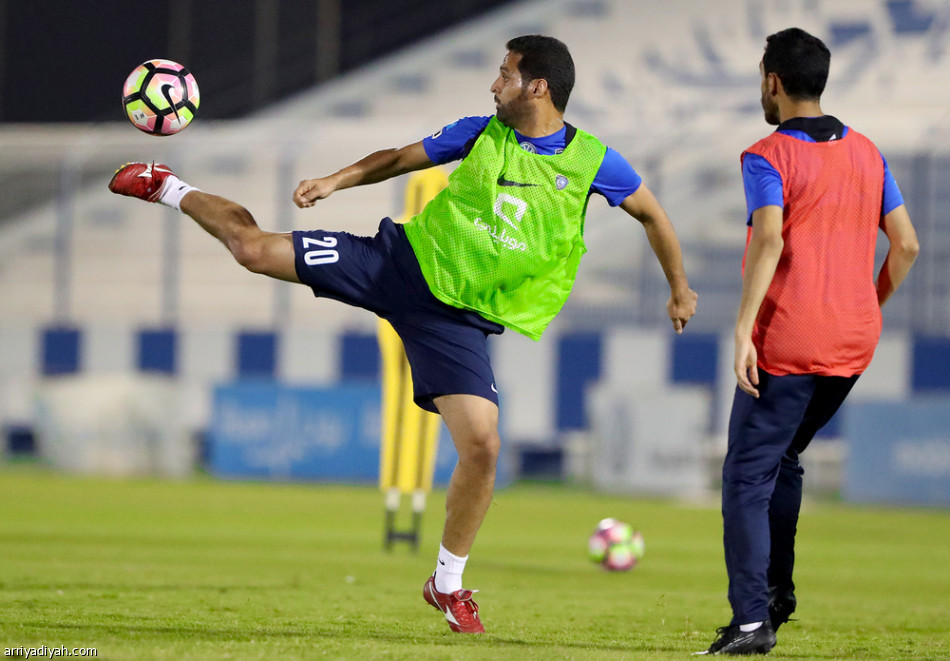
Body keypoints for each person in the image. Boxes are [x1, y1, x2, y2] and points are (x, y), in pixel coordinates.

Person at [110, 34, 698, 634]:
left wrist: (679, 286)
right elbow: (398, 158)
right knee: (253, 250)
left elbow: (653, 213)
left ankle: (446, 584)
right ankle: (169, 186)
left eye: (504, 74)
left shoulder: (595, 162)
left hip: (455, 322)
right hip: (394, 265)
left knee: (483, 445)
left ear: (537, 87)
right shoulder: (479, 131)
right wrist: (335, 182)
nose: (494, 84)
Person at [701, 28, 919, 655]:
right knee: (785, 456)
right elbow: (906, 245)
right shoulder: (869, 152)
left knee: (746, 473)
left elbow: (769, 238)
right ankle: (776, 595)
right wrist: (865, 306)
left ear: (772, 80)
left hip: (790, 342)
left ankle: (750, 621)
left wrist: (743, 331)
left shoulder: (767, 155)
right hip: (852, 344)